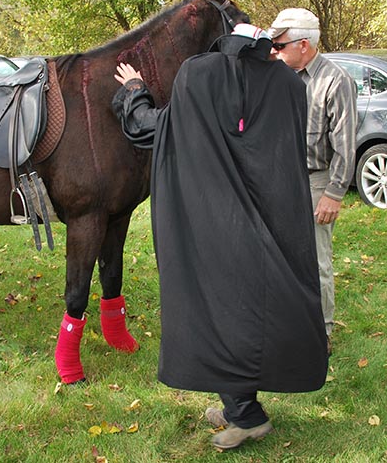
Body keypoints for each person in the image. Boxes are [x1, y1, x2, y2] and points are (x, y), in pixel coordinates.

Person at [112, 24, 327, 451]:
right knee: (255, 304)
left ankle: (247, 416)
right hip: (275, 211)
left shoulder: (198, 75)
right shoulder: (287, 81)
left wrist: (134, 88)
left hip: (215, 216)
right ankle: (238, 404)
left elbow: (149, 129)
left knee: (221, 305)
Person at [267, 8, 358, 350]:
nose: (274, 51)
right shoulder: (277, 75)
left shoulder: (335, 81)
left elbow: (345, 146)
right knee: (280, 257)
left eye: (280, 45)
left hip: (316, 180)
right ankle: (289, 324)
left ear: (303, 45)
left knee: (316, 260)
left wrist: (333, 194)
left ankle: (322, 334)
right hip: (279, 181)